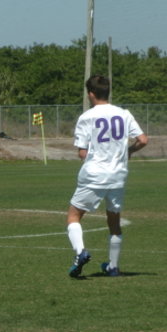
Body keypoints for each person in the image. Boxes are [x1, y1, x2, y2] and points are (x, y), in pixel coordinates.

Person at [66, 75, 148, 278]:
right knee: (114, 220)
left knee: (74, 216)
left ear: (91, 94)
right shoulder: (124, 114)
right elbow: (143, 140)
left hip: (94, 174)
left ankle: (80, 252)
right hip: (118, 175)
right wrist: (128, 151)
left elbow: (82, 153)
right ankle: (113, 266)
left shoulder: (87, 117)